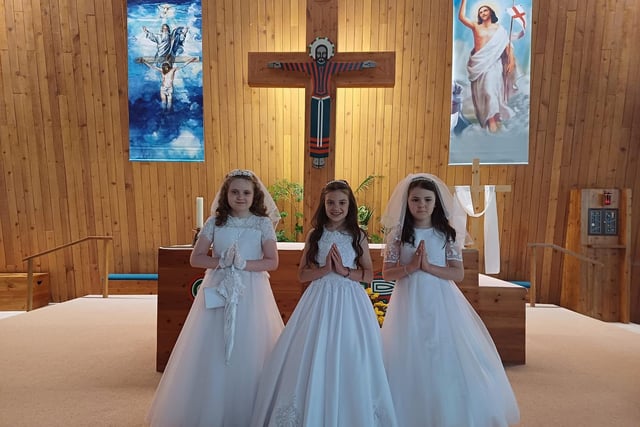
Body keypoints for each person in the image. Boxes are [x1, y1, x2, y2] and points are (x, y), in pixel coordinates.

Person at [250, 180, 397, 426]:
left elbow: (369, 276)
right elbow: (302, 274)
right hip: (319, 299)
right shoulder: (315, 234)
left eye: (342, 202)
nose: (336, 208)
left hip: (350, 301)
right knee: (314, 351)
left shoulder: (358, 235)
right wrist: (325, 268)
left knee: (352, 352)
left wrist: (344, 270)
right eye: (331, 202)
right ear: (323, 205)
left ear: (350, 205)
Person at [146, 169, 284, 427]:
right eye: (234, 192)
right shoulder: (215, 223)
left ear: (254, 196)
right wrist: (221, 262)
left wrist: (243, 264)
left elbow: (272, 262)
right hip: (218, 286)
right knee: (213, 345)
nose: (240, 197)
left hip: (251, 290)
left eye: (245, 192)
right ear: (226, 194)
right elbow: (195, 258)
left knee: (250, 343)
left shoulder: (262, 224)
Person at [379, 173, 520, 427]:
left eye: (427, 200)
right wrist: (411, 267)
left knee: (441, 349)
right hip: (407, 300)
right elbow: (387, 272)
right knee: (407, 351)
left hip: (440, 299)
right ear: (407, 203)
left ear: (436, 203)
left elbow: (457, 272)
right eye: (415, 200)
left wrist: (429, 267)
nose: (421, 205)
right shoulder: (398, 235)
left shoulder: (447, 234)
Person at [458, 0, 515, 132]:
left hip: (494, 65)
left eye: (485, 10)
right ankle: (492, 121)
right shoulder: (476, 26)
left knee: (490, 92)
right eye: (480, 11)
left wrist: (511, 61)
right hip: (478, 65)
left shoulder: (499, 29)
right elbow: (461, 17)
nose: (483, 13)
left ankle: (492, 124)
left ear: (491, 12)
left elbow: (508, 46)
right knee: (483, 94)